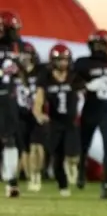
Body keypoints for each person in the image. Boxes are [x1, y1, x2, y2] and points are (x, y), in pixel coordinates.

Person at [73, 29, 107, 199]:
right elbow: (74, 83)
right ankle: (81, 173)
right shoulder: (84, 63)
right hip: (91, 108)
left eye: (101, 44)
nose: (98, 48)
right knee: (84, 146)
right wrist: (86, 86)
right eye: (95, 44)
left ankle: (105, 185)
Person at [33, 44, 83, 197]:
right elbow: (38, 100)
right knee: (57, 156)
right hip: (54, 121)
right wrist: (39, 115)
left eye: (65, 60)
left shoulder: (74, 77)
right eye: (60, 60)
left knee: (74, 155)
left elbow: (83, 95)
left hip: (71, 121)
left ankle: (72, 166)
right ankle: (63, 185)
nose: (63, 63)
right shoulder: (46, 77)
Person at [1, 11, 25, 198]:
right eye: (13, 29)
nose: (16, 33)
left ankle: (11, 180)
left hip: (7, 98)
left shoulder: (17, 47)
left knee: (10, 139)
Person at [16, 44, 45, 191]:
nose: (25, 57)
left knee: (37, 145)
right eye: (23, 54)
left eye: (28, 54)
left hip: (37, 111)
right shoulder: (14, 72)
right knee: (24, 148)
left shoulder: (41, 71)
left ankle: (37, 174)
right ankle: (30, 178)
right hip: (20, 113)